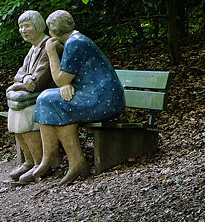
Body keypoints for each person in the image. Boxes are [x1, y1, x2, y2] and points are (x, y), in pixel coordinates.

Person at [18, 10, 125, 185]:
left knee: (47, 100)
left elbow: (60, 78)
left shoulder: (75, 43)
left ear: (53, 31)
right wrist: (66, 84)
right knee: (52, 101)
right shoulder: (75, 39)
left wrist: (51, 52)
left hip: (102, 99)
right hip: (96, 95)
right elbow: (67, 78)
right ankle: (74, 162)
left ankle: (49, 159)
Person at [5, 10, 60, 181]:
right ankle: (29, 161)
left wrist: (22, 83)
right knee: (15, 113)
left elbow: (39, 81)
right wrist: (24, 79)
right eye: (21, 27)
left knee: (25, 115)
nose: (23, 30)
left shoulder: (49, 46)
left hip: (49, 97)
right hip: (36, 95)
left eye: (27, 26)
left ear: (37, 25)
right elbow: (20, 74)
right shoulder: (33, 49)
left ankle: (40, 163)